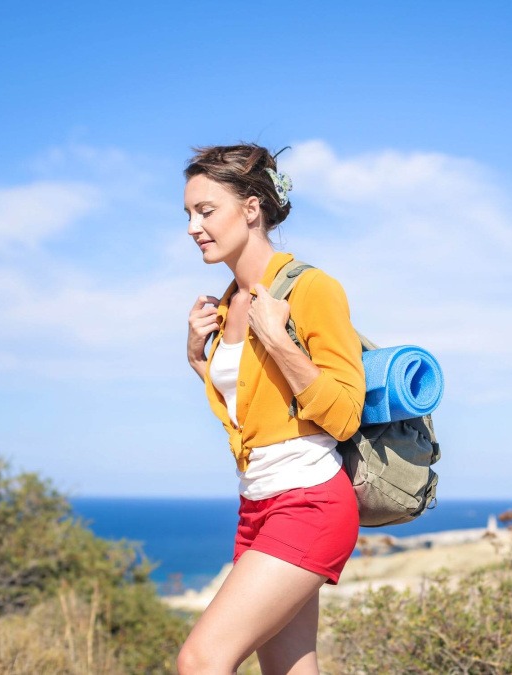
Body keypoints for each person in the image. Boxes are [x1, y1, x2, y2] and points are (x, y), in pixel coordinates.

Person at [177, 143, 365, 675]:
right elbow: (255, 413)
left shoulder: (312, 289)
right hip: (256, 505)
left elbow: (345, 414)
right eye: (188, 214)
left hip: (310, 503)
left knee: (201, 661)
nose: (193, 227)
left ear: (252, 209)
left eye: (206, 211)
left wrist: (279, 342)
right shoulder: (229, 300)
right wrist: (199, 361)